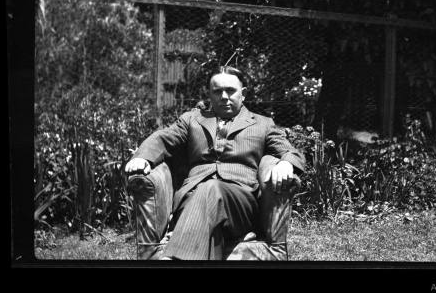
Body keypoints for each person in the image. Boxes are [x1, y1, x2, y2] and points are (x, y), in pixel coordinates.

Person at [125, 66, 305, 260]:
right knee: (211, 227)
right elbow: (163, 138)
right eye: (217, 91)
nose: (224, 96)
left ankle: (173, 259)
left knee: (212, 188)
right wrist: (142, 157)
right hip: (191, 200)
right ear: (209, 95)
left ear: (243, 94)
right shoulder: (192, 120)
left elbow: (289, 151)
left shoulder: (262, 123)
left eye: (230, 90)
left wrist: (286, 164)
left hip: (240, 203)